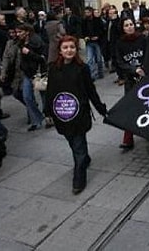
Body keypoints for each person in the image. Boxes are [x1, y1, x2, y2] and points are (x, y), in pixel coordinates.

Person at [45, 35, 107, 195]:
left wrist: (101, 108)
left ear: (76, 49)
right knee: (73, 141)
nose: (69, 50)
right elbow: (50, 91)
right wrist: (48, 112)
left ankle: (79, 178)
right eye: (65, 47)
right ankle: (84, 158)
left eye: (72, 47)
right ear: (60, 50)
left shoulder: (82, 68)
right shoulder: (53, 68)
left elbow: (90, 90)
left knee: (78, 144)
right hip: (62, 114)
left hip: (79, 114)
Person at [116, 17, 147, 150]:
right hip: (130, 80)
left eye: (131, 24)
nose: (129, 27)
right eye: (126, 25)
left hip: (145, 79)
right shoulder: (120, 43)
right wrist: (134, 70)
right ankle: (128, 139)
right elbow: (119, 62)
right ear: (123, 28)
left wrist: (144, 68)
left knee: (147, 106)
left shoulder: (142, 39)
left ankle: (148, 131)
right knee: (130, 108)